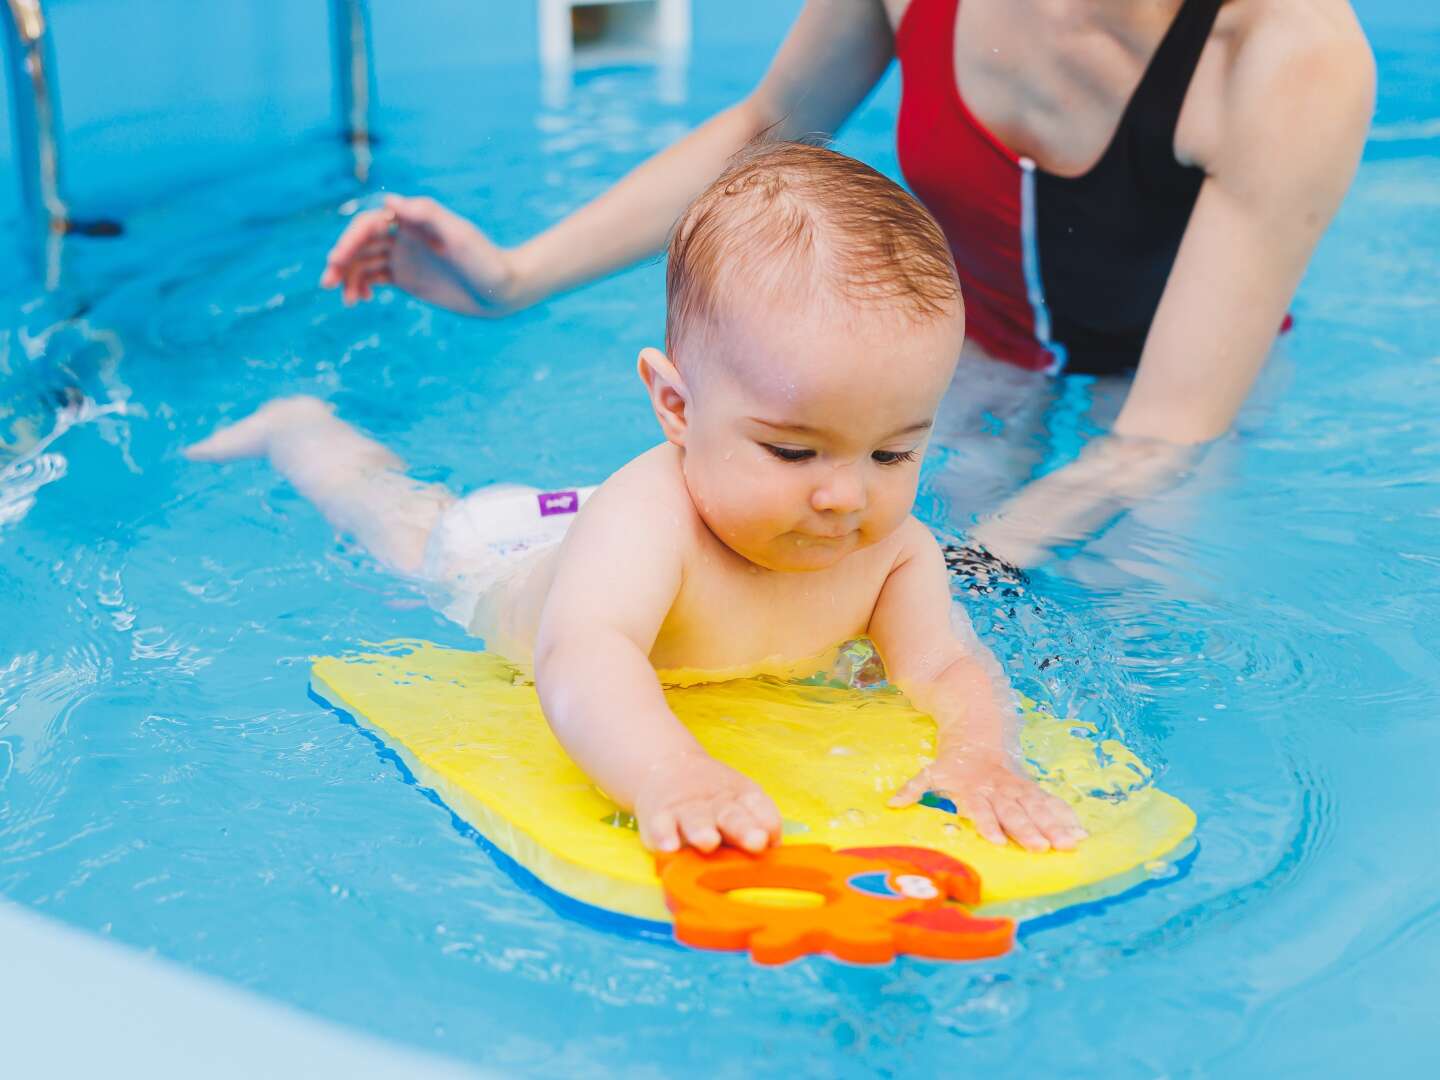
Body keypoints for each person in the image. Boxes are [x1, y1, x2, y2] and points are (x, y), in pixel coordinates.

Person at [189, 144, 1086, 856]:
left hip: (645, 537)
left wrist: (978, 758)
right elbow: (585, 656)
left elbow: (947, 669)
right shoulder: (651, 519)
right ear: (677, 407)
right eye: (791, 448)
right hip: (502, 558)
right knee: (397, 521)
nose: (844, 495)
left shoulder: (893, 553)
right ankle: (301, 428)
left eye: (894, 451)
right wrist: (668, 772)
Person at [319, 0, 1374, 567]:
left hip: (1173, 395)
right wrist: (513, 276)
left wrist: (968, 568)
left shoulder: (1289, 55)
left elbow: (1160, 437)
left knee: (1140, 592)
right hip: (971, 355)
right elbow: (766, 127)